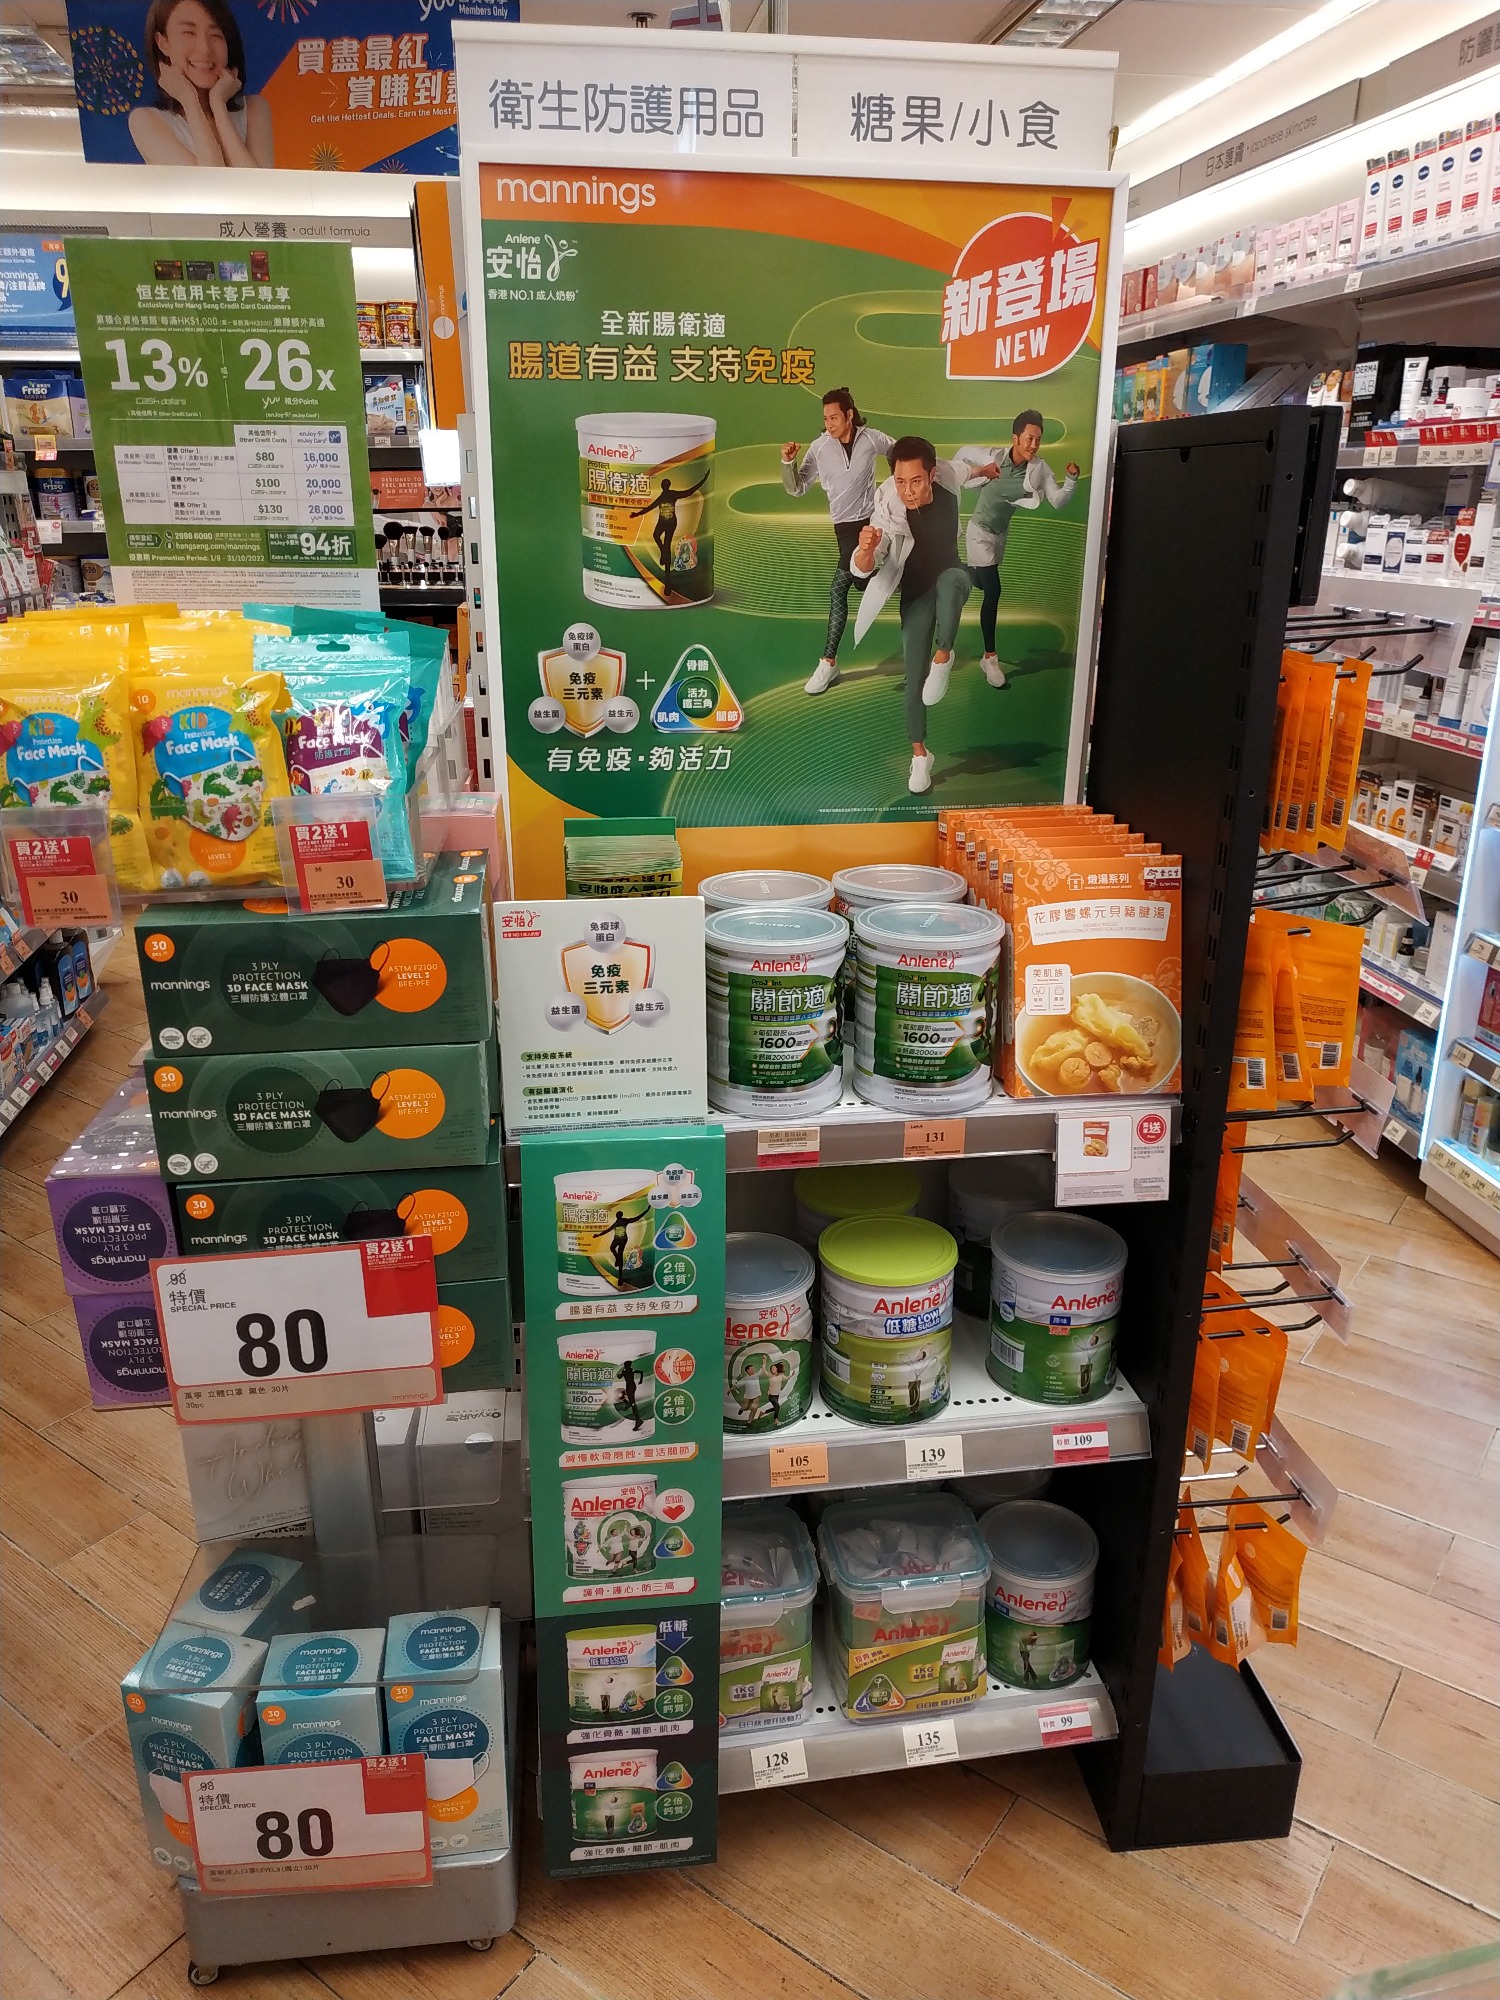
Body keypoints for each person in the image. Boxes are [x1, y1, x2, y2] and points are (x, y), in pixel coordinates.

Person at [848, 436, 971, 795]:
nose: (908, 490)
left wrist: (988, 469)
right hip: (915, 594)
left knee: (950, 581)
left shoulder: (948, 476)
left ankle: (944, 656)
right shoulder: (888, 510)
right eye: (900, 481)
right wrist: (866, 551)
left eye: (916, 481)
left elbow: (968, 470)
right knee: (913, 678)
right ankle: (920, 756)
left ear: (932, 475)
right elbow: (866, 563)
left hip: (953, 576)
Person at [780, 388, 895, 694]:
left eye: (834, 417)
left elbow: (900, 454)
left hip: (872, 523)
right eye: (825, 418)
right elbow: (797, 488)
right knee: (862, 584)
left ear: (849, 415)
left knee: (838, 589)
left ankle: (828, 662)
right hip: (844, 529)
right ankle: (902, 581)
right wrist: (787, 463)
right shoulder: (819, 448)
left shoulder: (872, 439)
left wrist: (898, 490)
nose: (829, 424)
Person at [954, 411, 1078, 688]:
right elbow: (963, 454)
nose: (1034, 445)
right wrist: (966, 476)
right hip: (978, 532)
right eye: (1029, 438)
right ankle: (990, 657)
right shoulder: (993, 457)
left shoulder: (1040, 468)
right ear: (1015, 438)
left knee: (983, 584)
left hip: (999, 536)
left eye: (1038, 439)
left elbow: (1057, 500)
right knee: (994, 590)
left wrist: (1071, 480)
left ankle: (958, 568)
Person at [128, 0, 273, 168]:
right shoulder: (145, 121)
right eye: (189, 33)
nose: (205, 49)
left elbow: (258, 183)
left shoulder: (254, 109)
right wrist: (190, 101)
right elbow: (208, 181)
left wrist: (218, 105)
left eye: (216, 34)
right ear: (163, 43)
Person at [627, 469, 710, 594]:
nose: (664, 485)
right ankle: (664, 552)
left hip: (670, 523)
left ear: (665, 486)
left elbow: (689, 492)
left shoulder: (671, 494)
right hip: (663, 522)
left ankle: (668, 583)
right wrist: (637, 514)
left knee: (664, 543)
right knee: (656, 536)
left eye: (664, 484)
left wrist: (703, 480)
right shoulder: (665, 496)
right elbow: (650, 507)